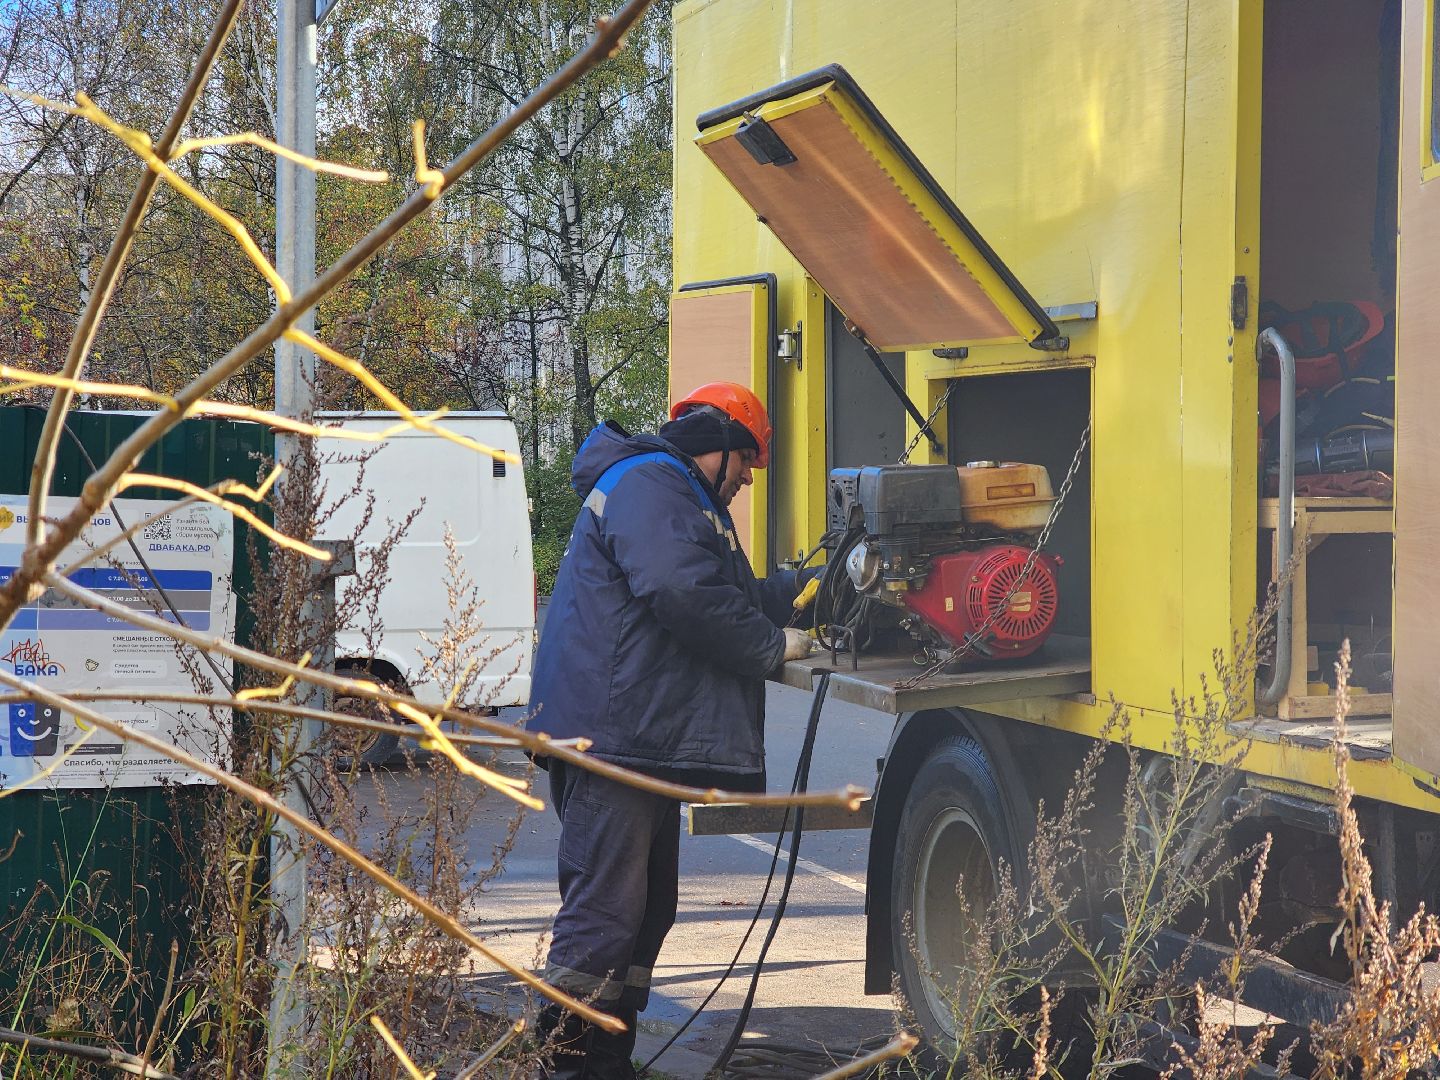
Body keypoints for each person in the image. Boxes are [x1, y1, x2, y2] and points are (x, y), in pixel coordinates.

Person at [527, 381, 814, 1078]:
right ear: (714, 442)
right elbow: (682, 591)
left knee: (645, 912)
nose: (748, 478)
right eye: (746, 460)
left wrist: (806, 588)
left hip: (636, 734)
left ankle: (604, 1057)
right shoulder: (653, 483)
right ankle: (567, 1062)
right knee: (605, 912)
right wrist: (772, 647)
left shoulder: (683, 496)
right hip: (612, 735)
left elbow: (732, 596)